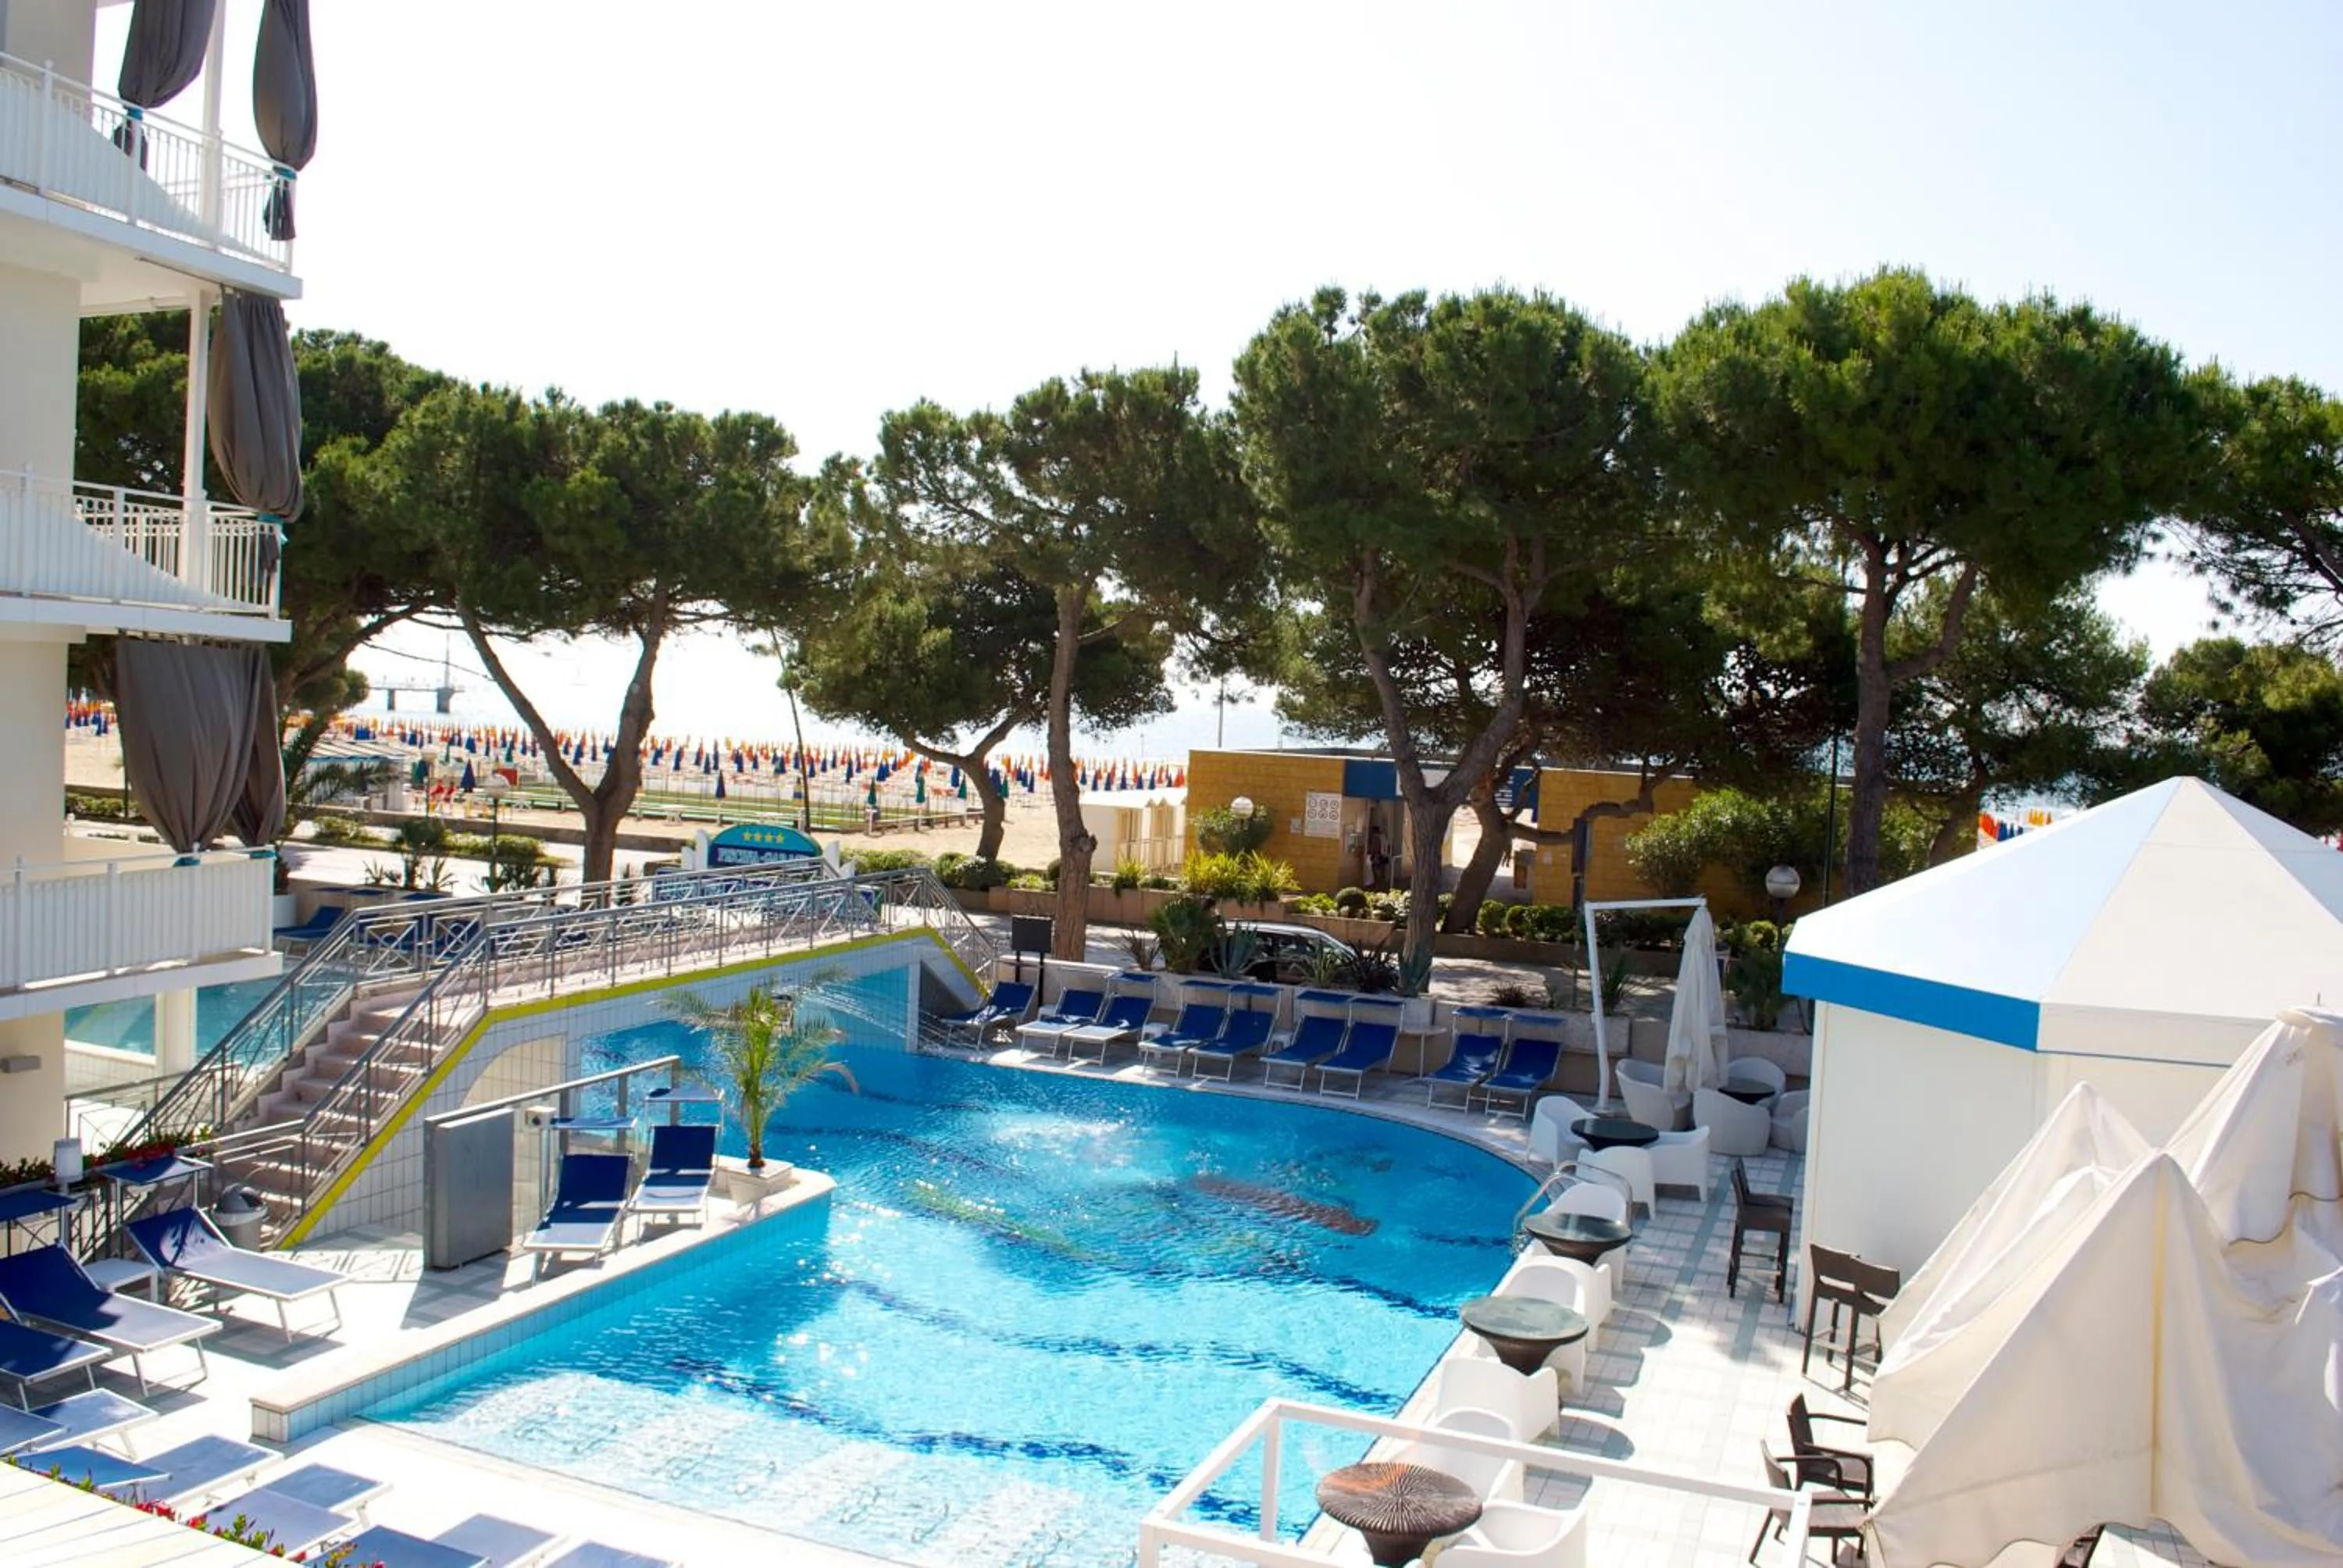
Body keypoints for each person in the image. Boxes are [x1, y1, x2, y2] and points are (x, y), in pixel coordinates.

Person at [1365, 822, 1390, 891]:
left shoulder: (1375, 837)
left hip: (1378, 857)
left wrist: (1371, 854)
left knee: (1376, 874)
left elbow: (1375, 847)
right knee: (1382, 873)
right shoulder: (1384, 836)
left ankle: (1378, 888)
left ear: (1374, 831)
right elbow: (1388, 846)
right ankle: (1383, 887)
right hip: (1384, 857)